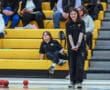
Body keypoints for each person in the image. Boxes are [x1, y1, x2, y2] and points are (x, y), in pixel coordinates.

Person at [66, 8, 86, 89]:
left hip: (81, 47)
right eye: (71, 14)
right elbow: (69, 35)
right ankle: (72, 81)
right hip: (71, 46)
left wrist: (77, 45)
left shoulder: (81, 22)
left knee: (79, 64)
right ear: (69, 15)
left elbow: (81, 34)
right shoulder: (68, 23)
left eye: (74, 14)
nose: (73, 15)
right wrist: (73, 46)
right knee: (72, 64)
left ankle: (79, 82)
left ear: (77, 14)